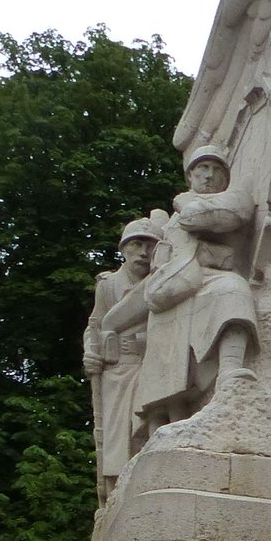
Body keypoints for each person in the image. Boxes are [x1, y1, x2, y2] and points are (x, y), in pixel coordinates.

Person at [106, 146, 258, 437]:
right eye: (202, 168)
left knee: (233, 290)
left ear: (227, 176)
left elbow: (207, 218)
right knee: (162, 346)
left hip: (211, 278)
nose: (209, 174)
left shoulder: (230, 199)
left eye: (216, 169)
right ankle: (164, 424)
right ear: (190, 174)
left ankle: (230, 372)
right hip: (172, 287)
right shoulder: (175, 216)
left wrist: (187, 202)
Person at [83, 215, 164, 501]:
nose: (143, 252)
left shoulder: (162, 282)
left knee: (145, 425)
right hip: (116, 367)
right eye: (137, 244)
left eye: (150, 246)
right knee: (116, 435)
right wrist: (90, 352)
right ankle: (116, 490)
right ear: (124, 248)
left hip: (150, 362)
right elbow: (95, 324)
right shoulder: (108, 285)